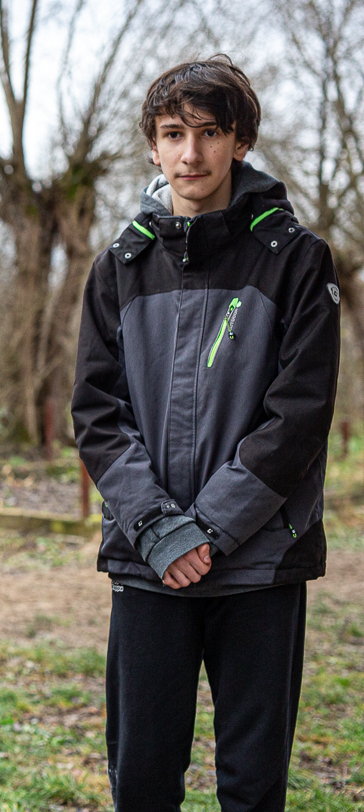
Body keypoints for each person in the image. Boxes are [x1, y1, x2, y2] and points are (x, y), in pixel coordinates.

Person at [72, 56, 339, 812]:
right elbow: (95, 411)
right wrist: (160, 530)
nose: (192, 154)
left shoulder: (296, 260)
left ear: (241, 141)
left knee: (253, 789)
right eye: (173, 133)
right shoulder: (117, 268)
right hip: (147, 563)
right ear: (152, 147)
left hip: (261, 561)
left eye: (211, 133)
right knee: (144, 781)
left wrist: (210, 530)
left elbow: (301, 413)